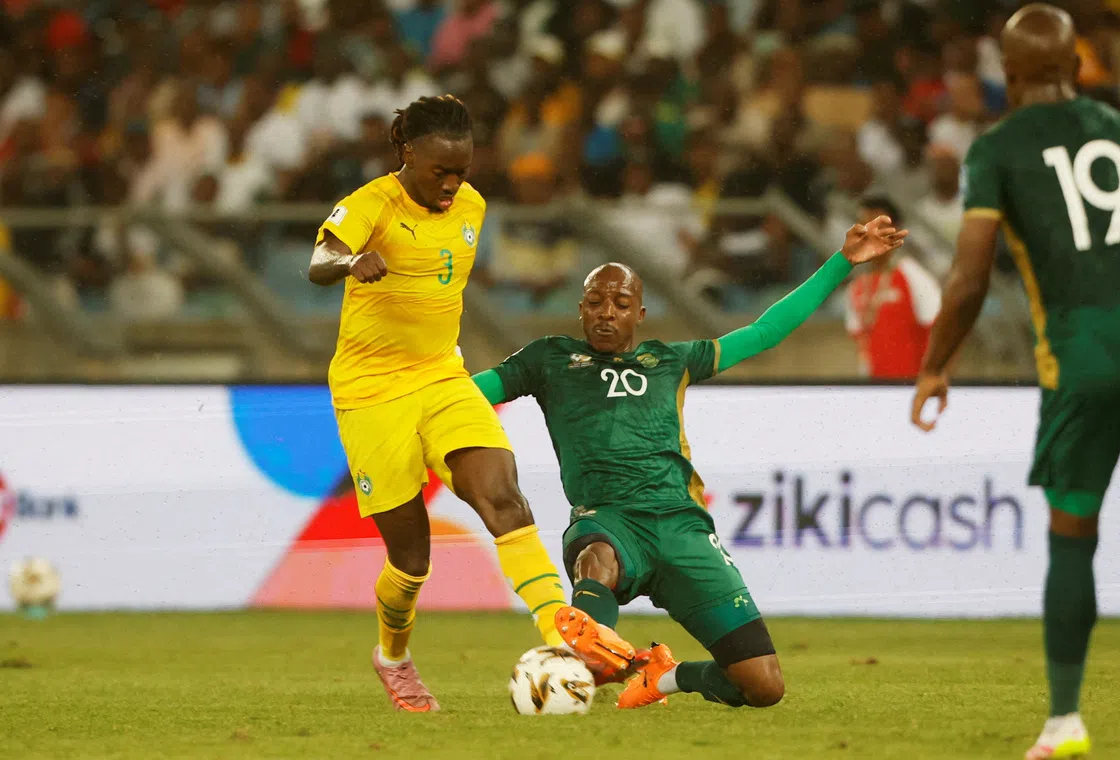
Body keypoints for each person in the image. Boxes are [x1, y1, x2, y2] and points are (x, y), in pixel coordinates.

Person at [472, 217, 907, 709]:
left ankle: (660, 677)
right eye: (595, 302)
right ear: (580, 310)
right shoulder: (548, 360)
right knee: (598, 561)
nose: (605, 313)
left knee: (763, 686)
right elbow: (468, 395)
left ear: (640, 312)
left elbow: (765, 332)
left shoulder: (673, 361)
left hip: (683, 527)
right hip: (609, 520)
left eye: (619, 304)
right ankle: (586, 658)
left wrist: (841, 261)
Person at [909, 6, 1120, 758]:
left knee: (1073, 535)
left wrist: (937, 361)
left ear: (1006, 76)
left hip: (1082, 363)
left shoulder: (998, 148)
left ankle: (1066, 721)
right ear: (1077, 64)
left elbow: (971, 275)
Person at [308, 95, 566, 713]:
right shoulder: (371, 204)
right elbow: (317, 261)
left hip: (442, 376)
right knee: (411, 557)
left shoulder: (472, 205)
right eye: (438, 172)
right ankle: (392, 657)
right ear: (406, 153)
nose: (451, 185)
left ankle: (564, 636)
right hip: (371, 392)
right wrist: (350, 261)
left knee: (501, 492)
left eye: (462, 170)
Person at [845, 195, 941, 379]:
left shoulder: (912, 275)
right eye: (863, 226)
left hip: (909, 388)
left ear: (895, 230)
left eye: (878, 227)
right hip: (874, 391)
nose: (870, 234)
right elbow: (861, 348)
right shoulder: (855, 288)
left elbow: (941, 332)